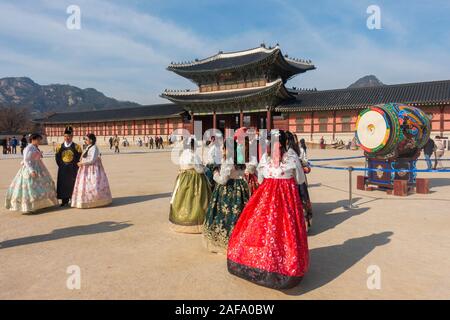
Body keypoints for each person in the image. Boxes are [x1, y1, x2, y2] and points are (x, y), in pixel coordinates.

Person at [227, 129, 309, 289]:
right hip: (287, 201)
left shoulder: (265, 157)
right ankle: (283, 267)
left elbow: (260, 178)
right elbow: (300, 180)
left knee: (260, 228)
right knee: (285, 231)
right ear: (285, 142)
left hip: (265, 198)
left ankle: (256, 262)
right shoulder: (293, 157)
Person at [202, 139, 250, 254]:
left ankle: (225, 243)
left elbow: (223, 180)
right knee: (240, 215)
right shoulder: (240, 160)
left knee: (224, 216)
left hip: (227, 191)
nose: (222, 150)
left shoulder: (227, 162)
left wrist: (214, 173)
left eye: (224, 148)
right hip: (240, 189)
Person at [5, 134, 58, 213]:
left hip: (39, 167)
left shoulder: (35, 147)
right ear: (33, 139)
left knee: (42, 185)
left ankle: (41, 204)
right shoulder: (28, 148)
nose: (40, 141)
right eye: (39, 140)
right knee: (30, 188)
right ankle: (29, 206)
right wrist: (31, 170)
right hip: (30, 168)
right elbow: (26, 160)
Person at [169, 138, 211, 233]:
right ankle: (196, 223)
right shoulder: (193, 155)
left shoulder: (183, 154)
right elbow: (199, 169)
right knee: (196, 199)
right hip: (194, 179)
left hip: (183, 178)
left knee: (181, 197)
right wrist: (205, 169)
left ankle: (180, 221)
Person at [71, 133, 112, 208]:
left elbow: (92, 159)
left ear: (91, 140)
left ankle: (95, 200)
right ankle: (84, 200)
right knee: (84, 184)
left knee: (93, 183)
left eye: (86, 139)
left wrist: (82, 162)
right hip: (85, 168)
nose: (85, 141)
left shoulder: (94, 148)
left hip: (92, 168)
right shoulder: (88, 147)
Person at [55, 126, 83, 207]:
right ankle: (64, 200)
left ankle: (73, 199)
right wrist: (62, 165)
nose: (67, 138)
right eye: (65, 136)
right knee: (63, 184)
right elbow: (57, 158)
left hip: (73, 169)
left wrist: (75, 166)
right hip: (63, 169)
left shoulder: (77, 147)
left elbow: (79, 158)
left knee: (73, 184)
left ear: (72, 137)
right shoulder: (59, 147)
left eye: (69, 136)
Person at [290, 132, 313, 230]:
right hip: (291, 181)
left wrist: (304, 166)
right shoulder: (284, 152)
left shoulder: (300, 149)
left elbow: (305, 161)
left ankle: (304, 224)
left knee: (302, 200)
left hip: (299, 179)